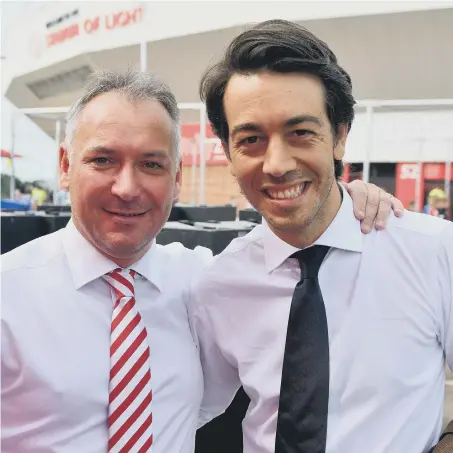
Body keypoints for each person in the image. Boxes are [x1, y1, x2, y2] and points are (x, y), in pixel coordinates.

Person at [1, 68, 401, 453]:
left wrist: (351, 200)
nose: (127, 188)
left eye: (151, 164)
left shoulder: (206, 282)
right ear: (66, 166)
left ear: (176, 179)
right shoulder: (9, 295)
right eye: (103, 160)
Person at [192, 20, 453, 453]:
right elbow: (187, 409)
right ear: (228, 152)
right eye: (251, 138)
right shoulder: (216, 286)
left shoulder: (433, 251)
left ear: (340, 136)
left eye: (301, 132)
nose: (276, 164)